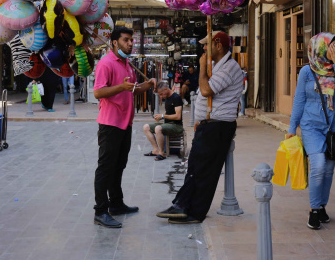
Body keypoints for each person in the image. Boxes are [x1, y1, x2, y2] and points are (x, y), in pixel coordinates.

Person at [157, 31, 243, 224]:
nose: (203, 48)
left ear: (218, 45)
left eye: (207, 45)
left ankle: (193, 211)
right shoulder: (218, 67)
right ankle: (183, 205)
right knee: (196, 167)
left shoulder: (229, 68)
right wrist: (199, 118)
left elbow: (205, 90)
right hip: (209, 124)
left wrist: (203, 67)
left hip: (218, 126)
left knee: (204, 170)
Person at [286, 33, 335, 230]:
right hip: (311, 126)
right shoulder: (307, 71)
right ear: (321, 49)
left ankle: (322, 206)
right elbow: (299, 100)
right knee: (318, 165)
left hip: (334, 127)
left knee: (329, 170)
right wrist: (291, 128)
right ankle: (314, 209)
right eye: (333, 47)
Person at [92, 26, 156, 228]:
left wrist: (148, 85)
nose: (130, 43)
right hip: (110, 124)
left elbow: (133, 90)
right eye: (126, 40)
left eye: (131, 40)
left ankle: (116, 204)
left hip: (124, 123)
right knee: (106, 168)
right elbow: (98, 93)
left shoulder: (127, 64)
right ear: (114, 42)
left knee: (118, 166)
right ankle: (100, 211)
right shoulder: (106, 63)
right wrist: (121, 87)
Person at [142, 81, 184, 161]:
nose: (161, 96)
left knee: (158, 128)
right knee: (146, 127)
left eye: (161, 94)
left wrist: (162, 116)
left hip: (176, 125)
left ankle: (162, 153)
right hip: (167, 124)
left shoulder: (176, 98)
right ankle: (156, 150)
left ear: (166, 89)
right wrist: (160, 117)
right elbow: (168, 112)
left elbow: (178, 116)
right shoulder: (167, 98)